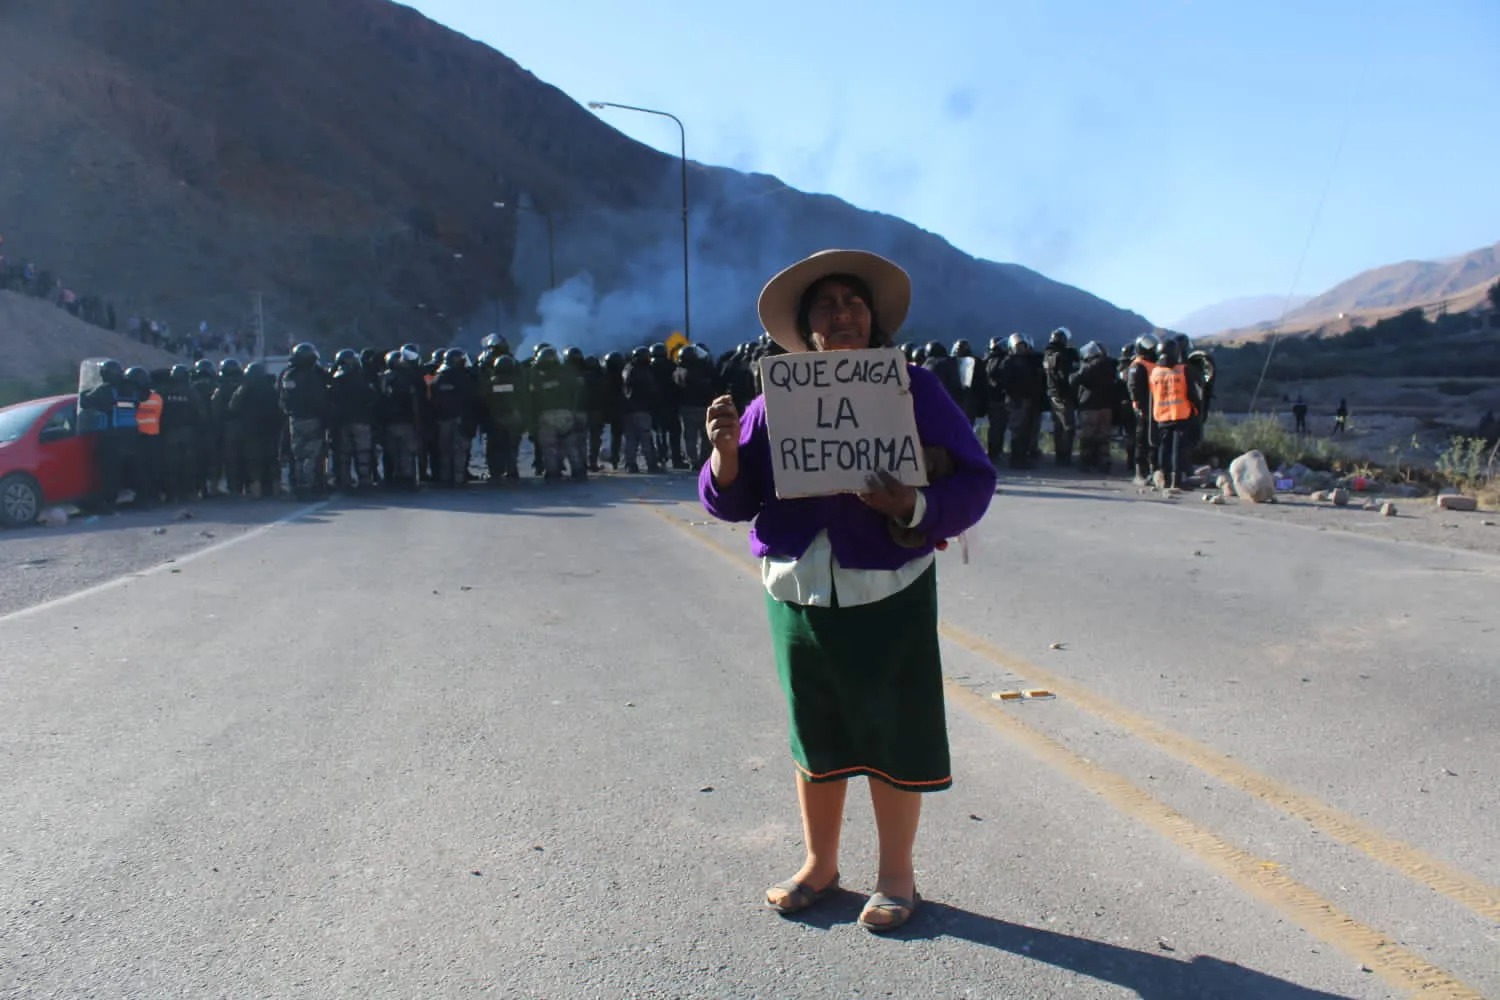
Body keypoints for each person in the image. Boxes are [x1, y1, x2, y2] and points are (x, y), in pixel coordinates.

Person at [699, 249, 996, 933]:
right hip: (798, 589)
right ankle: (819, 864)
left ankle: (896, 877)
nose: (842, 314)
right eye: (826, 305)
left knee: (893, 732)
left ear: (873, 319)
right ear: (806, 328)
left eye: (853, 302)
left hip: (887, 585)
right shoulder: (774, 398)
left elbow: (975, 479)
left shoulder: (914, 389)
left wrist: (912, 506)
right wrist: (725, 454)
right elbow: (731, 499)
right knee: (816, 728)